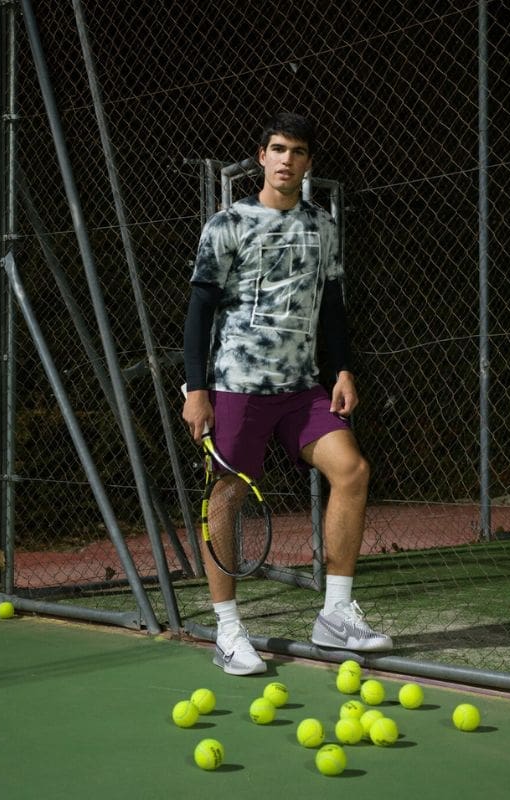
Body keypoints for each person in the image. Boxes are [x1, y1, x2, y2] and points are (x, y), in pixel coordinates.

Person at [182, 112, 393, 675]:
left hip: (302, 389)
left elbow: (333, 307)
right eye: (277, 149)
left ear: (308, 163)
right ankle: (228, 630)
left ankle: (335, 616)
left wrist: (343, 370)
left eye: (297, 152)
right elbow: (199, 309)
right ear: (261, 157)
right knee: (226, 497)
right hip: (236, 388)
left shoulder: (322, 226)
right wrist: (196, 389)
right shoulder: (227, 224)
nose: (286, 160)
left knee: (351, 471)